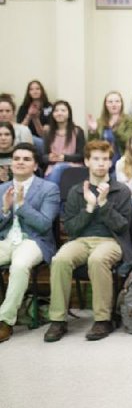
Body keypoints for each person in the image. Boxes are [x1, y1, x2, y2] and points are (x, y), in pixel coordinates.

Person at [44, 140, 132, 342]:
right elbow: (70, 228)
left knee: (97, 259)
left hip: (111, 241)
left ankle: (103, 319)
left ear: (111, 163)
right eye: (96, 159)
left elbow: (123, 227)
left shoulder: (121, 191)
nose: (101, 163)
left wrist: (103, 204)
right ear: (87, 161)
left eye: (105, 159)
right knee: (60, 259)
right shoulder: (76, 192)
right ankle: (58, 319)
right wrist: (90, 208)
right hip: (82, 240)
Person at [0, 143, 60, 343]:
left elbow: (44, 224)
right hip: (6, 239)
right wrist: (6, 211)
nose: (20, 162)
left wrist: (22, 205)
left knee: (19, 266)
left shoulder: (49, 188)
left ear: (35, 166)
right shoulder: (1, 188)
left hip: (34, 240)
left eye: (26, 159)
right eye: (16, 159)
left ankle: (5, 321)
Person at [86, 91, 132, 166]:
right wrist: (93, 131)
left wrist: (115, 129)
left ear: (121, 104)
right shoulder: (100, 121)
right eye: (110, 102)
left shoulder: (129, 121)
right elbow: (91, 145)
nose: (114, 104)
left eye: (117, 101)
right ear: (105, 105)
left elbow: (129, 141)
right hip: (102, 159)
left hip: (123, 159)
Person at [41, 100, 86, 185]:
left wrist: (64, 158)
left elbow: (81, 155)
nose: (59, 113)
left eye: (63, 110)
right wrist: (50, 157)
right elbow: (43, 157)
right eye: (56, 111)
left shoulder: (77, 131)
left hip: (73, 166)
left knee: (59, 167)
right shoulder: (48, 132)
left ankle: (50, 193)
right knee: (56, 168)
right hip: (53, 167)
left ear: (69, 114)